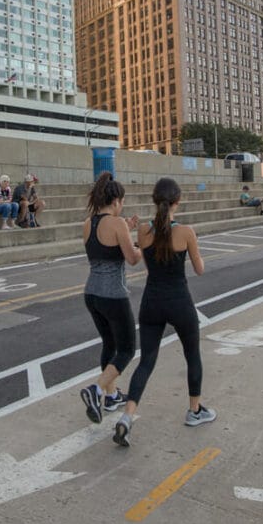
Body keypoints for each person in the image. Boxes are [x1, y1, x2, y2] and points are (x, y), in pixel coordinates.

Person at [113, 177, 211, 447]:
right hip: (180, 301)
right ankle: (194, 410)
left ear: (155, 201)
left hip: (151, 302)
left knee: (146, 361)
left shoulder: (143, 230)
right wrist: (197, 250)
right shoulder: (187, 232)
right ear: (177, 202)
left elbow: (144, 260)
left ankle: (127, 417)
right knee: (192, 355)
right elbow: (200, 269)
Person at [78, 172, 142, 423]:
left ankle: (111, 394)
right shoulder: (117, 224)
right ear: (116, 201)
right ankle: (95, 389)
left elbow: (106, 245)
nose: (122, 206)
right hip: (113, 294)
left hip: (91, 293)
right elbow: (133, 258)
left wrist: (126, 228)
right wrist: (145, 245)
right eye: (122, 202)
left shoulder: (88, 222)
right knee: (126, 349)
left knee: (109, 344)